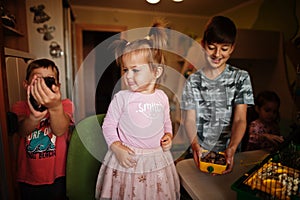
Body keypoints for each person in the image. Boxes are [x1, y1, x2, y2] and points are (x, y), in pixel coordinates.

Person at [95, 20, 180, 199]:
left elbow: (166, 123)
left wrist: (169, 137)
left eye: (135, 70)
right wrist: (116, 147)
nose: (128, 76)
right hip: (128, 160)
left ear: (156, 72)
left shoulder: (162, 98)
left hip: (156, 159)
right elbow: (108, 125)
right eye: (125, 70)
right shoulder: (122, 98)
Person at [180, 16, 254, 174]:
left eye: (224, 48)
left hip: (228, 155)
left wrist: (232, 148)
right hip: (197, 152)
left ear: (232, 48)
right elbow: (189, 119)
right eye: (212, 47)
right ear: (203, 45)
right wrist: (194, 145)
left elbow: (240, 119)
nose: (217, 54)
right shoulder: (192, 81)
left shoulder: (241, 78)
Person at [12, 58, 74, 200]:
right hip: (27, 176)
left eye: (49, 81)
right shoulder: (20, 106)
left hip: (58, 175)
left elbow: (59, 130)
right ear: (26, 85)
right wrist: (34, 117)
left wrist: (55, 107)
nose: (43, 86)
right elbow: (21, 131)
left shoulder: (64, 105)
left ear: (57, 86)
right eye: (37, 80)